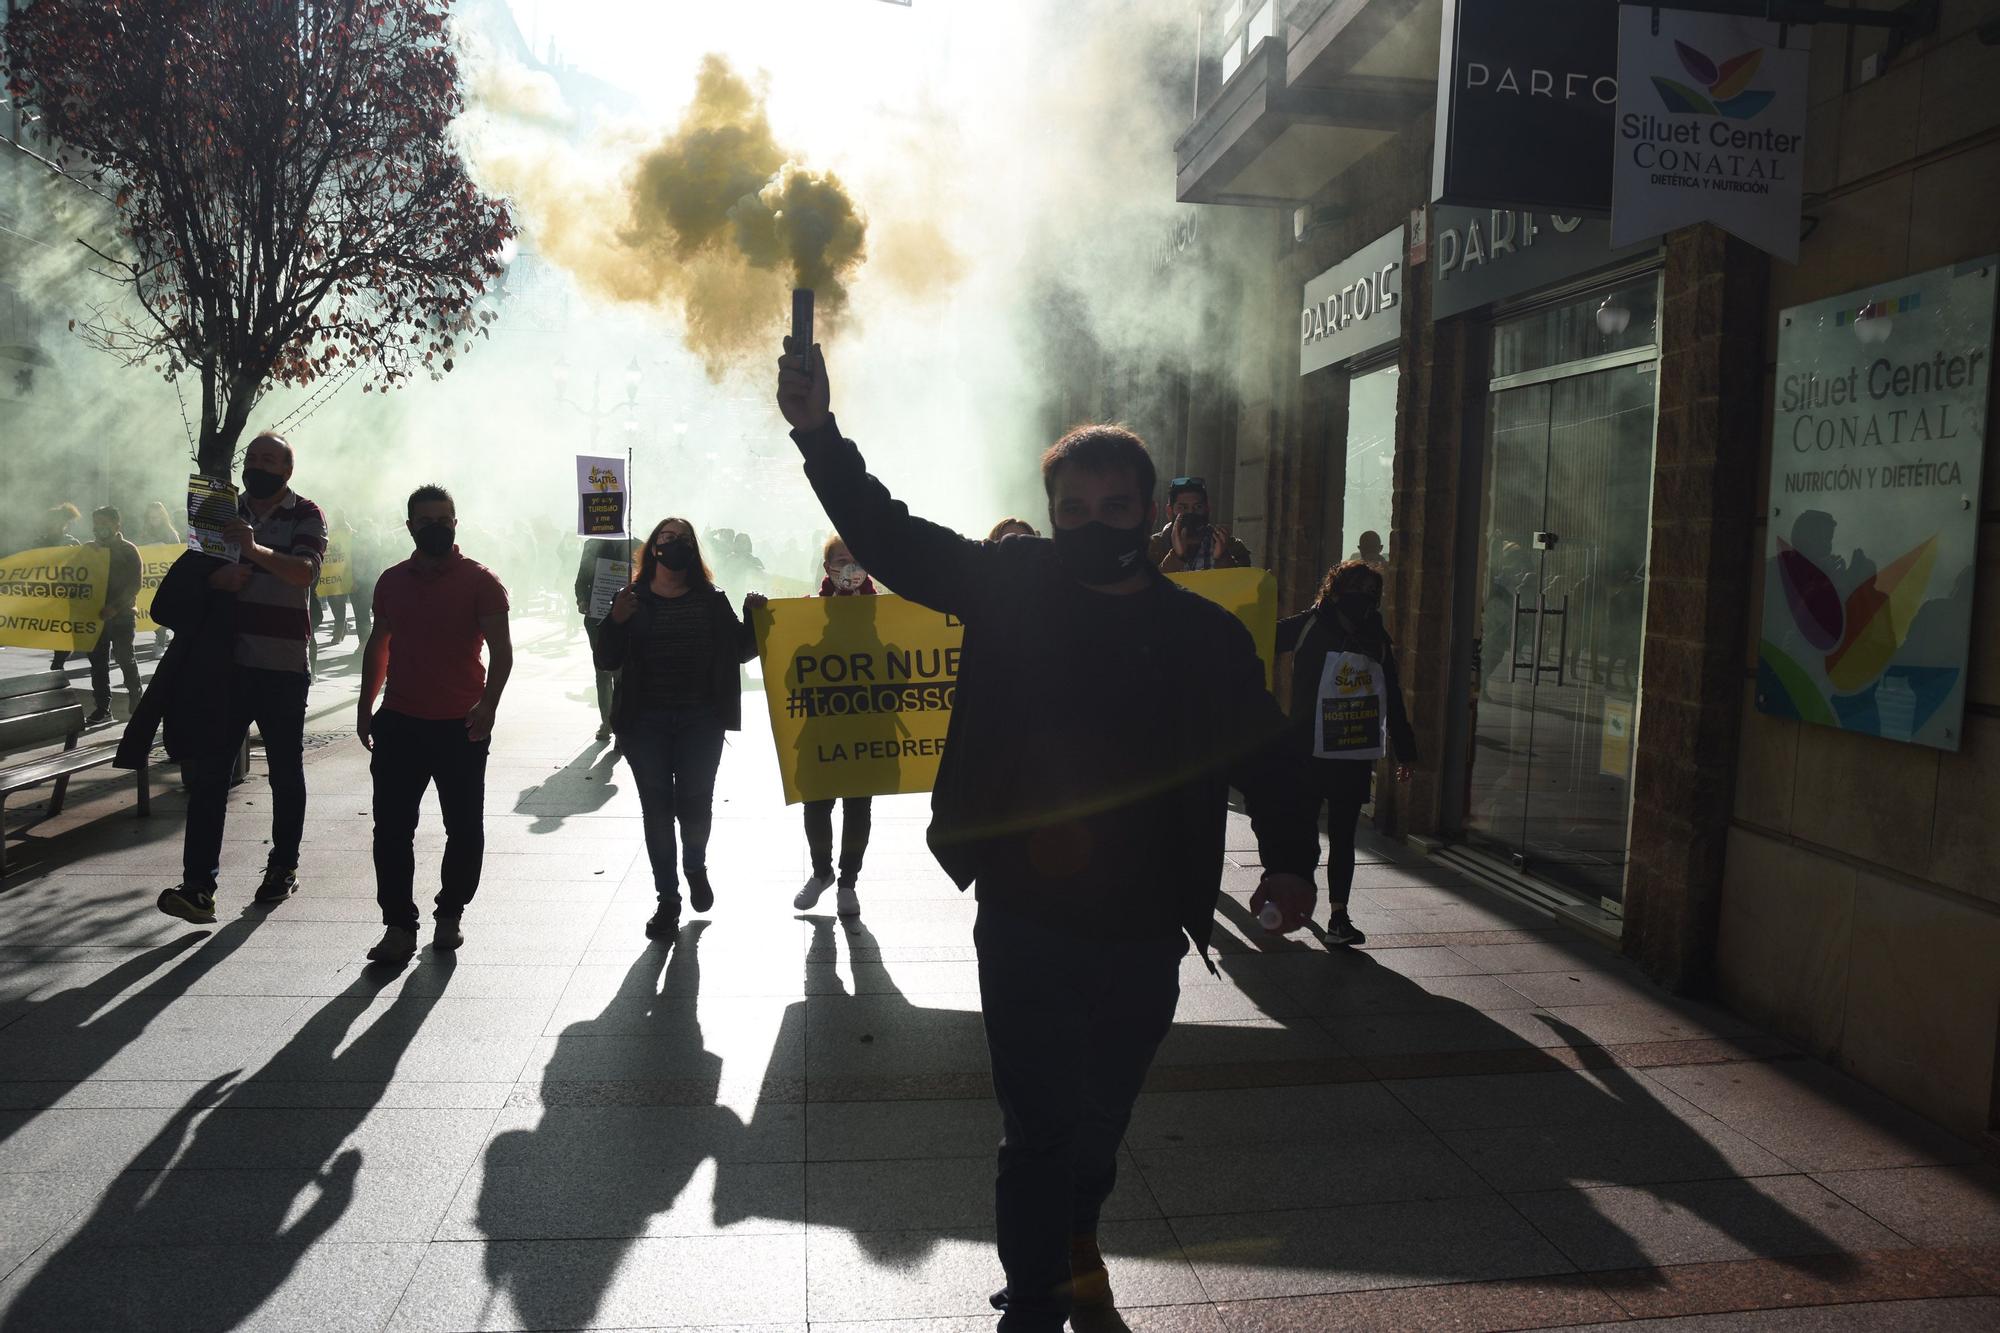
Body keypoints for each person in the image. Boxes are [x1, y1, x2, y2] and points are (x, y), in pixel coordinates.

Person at [776, 338, 1319, 1333]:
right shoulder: (1011, 584)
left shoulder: (1202, 637)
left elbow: (1270, 756)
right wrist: (817, 433)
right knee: (1035, 1126)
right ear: (1052, 509)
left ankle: (1073, 1236)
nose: (1093, 525)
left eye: (1116, 509)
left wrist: (1289, 862)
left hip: (1146, 923)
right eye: (1073, 509)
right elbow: (892, 539)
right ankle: (1034, 1301)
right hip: (1025, 914)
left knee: (1099, 1117)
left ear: (1154, 514)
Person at [156, 432, 326, 925]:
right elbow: (197, 571)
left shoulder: (306, 513)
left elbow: (304, 574)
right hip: (225, 666)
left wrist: (251, 549)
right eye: (251, 458)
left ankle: (282, 866)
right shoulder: (217, 508)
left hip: (281, 666)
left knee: (285, 773)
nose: (257, 466)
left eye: (268, 459)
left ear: (287, 470)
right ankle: (198, 887)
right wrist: (214, 579)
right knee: (210, 776)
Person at [355, 485, 512, 964]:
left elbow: (502, 653)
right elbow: (379, 643)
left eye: (444, 519)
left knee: (463, 826)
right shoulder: (391, 581)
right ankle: (398, 925)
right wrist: (366, 706)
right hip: (400, 722)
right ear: (410, 526)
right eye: (425, 521)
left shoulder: (481, 581)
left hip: (460, 725)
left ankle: (450, 914)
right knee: (391, 830)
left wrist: (487, 707)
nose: (436, 527)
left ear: (456, 523)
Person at [594, 518, 764, 943]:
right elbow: (606, 659)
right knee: (656, 809)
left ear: (694, 550)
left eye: (683, 540)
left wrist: (754, 616)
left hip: (700, 720)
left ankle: (695, 865)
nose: (675, 546)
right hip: (644, 722)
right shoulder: (629, 599)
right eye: (667, 539)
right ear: (653, 549)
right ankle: (667, 899)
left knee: (694, 804)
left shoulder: (711, 599)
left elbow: (740, 650)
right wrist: (615, 621)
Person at [1275, 559, 1417, 946]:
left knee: (1304, 832)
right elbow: (1394, 697)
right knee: (1340, 837)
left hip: (1308, 751)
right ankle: (1338, 915)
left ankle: (1298, 902)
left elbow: (1251, 640)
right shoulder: (1377, 638)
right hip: (1352, 750)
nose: (1363, 600)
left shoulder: (1308, 625)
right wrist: (1405, 752)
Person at [793, 535, 878, 916]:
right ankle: (821, 871)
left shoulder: (884, 609)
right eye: (840, 560)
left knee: (857, 806)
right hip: (821, 723)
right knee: (817, 803)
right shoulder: (812, 610)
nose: (848, 567)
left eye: (855, 559)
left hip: (867, 722)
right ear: (826, 568)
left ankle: (848, 882)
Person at [82, 506, 143, 725]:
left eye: (104, 522)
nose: (100, 528)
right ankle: (102, 706)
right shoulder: (89, 550)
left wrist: (115, 608)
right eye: (96, 523)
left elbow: (134, 584)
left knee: (125, 657)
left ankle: (137, 700)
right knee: (97, 662)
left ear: (117, 524)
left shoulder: (128, 550)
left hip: (122, 616)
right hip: (96, 617)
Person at [574, 533, 636, 742]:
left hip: (627, 620)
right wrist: (582, 599)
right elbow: (582, 579)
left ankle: (619, 724)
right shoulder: (593, 546)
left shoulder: (636, 545)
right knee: (602, 671)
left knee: (621, 674)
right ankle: (607, 721)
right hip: (598, 618)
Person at [1147, 476, 1252, 573]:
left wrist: (1222, 558)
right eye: (1182, 508)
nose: (1191, 513)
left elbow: (1242, 586)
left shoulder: (1232, 546)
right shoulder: (1152, 547)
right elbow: (1148, 589)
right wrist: (1177, 557)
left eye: (1198, 507)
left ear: (1207, 509)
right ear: (1169, 512)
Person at [35, 503, 83, 671]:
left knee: (62, 637)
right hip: (45, 595)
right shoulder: (40, 542)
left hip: (65, 596)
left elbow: (82, 568)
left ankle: (58, 665)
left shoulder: (71, 542)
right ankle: (57, 666)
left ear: (64, 524)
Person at [136, 500, 181, 656]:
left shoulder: (171, 533)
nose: (153, 520)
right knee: (150, 610)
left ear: (163, 517)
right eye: (151, 517)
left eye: (156, 517)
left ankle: (161, 643)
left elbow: (176, 555)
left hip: (165, 578)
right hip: (149, 579)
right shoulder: (143, 533)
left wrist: (162, 548)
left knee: (164, 608)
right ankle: (160, 638)